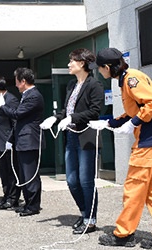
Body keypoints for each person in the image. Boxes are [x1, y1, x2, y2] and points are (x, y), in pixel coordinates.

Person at [90, 48, 152, 250]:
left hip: (150, 142)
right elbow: (135, 111)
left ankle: (124, 234)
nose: (101, 72)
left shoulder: (131, 79)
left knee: (133, 188)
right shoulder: (127, 78)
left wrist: (134, 122)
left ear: (107, 67)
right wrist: (108, 123)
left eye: (101, 69)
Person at [40, 48, 104, 234]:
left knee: (86, 180)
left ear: (82, 63)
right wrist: (55, 118)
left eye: (72, 61)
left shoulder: (94, 85)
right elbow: (65, 110)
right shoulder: (71, 85)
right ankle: (84, 213)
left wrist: (72, 118)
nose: (69, 64)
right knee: (71, 180)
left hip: (86, 137)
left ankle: (90, 220)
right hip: (71, 137)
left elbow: (94, 111)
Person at [0, 67, 44, 217]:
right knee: (24, 175)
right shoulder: (27, 95)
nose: (17, 85)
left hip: (29, 140)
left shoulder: (33, 95)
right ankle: (28, 203)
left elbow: (18, 115)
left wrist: (1, 107)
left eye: (18, 82)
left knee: (30, 174)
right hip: (22, 140)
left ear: (23, 81)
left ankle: (33, 205)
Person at [0, 75, 22, 211]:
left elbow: (15, 122)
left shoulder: (11, 99)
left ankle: (13, 199)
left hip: (9, 141)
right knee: (4, 171)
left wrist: (11, 140)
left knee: (12, 171)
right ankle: (6, 196)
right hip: (0, 140)